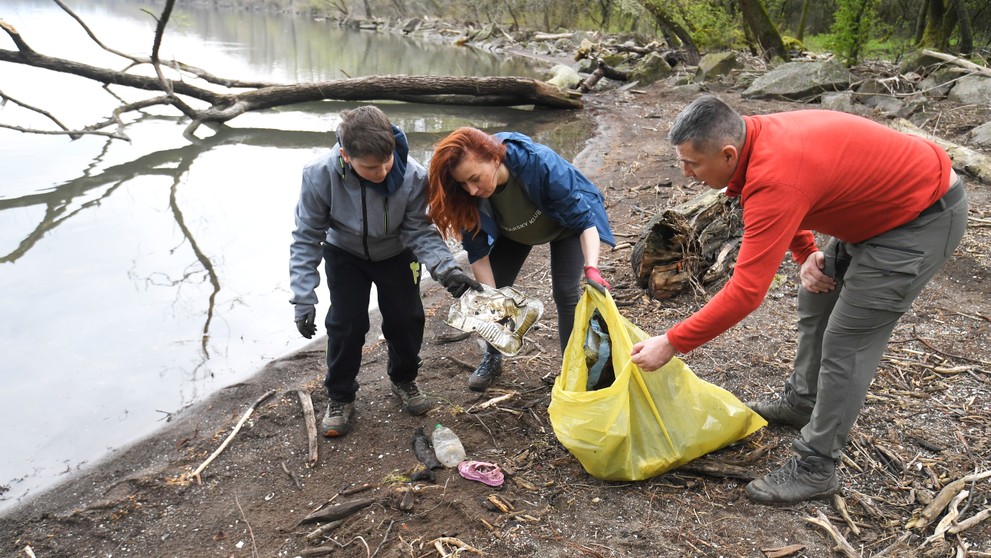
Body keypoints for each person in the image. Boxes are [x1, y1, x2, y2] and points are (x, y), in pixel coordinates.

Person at [630, 95, 968, 505]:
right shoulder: (756, 143)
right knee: (815, 296)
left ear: (727, 153)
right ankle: (803, 402)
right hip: (877, 207)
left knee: (847, 343)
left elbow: (746, 292)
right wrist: (806, 253)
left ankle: (816, 466)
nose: (685, 174)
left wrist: (672, 342)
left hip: (920, 220)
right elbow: (801, 193)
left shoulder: (775, 174)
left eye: (692, 164)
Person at [289, 106, 481, 438]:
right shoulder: (318, 176)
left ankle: (404, 379)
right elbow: (307, 238)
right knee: (345, 324)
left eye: (386, 161)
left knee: (407, 318)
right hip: (344, 253)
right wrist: (303, 298)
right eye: (370, 167)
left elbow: (420, 231)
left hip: (396, 252)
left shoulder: (413, 176)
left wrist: (447, 271)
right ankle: (340, 396)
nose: (381, 172)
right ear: (347, 156)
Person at [426, 127, 615, 391]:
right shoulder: (469, 197)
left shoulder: (540, 162)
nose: (470, 190)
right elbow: (477, 253)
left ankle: (572, 372)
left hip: (564, 228)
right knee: (492, 296)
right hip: (515, 234)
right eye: (463, 184)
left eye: (474, 179)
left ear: (493, 159)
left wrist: (592, 268)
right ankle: (492, 356)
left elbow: (585, 222)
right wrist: (493, 302)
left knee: (565, 293)